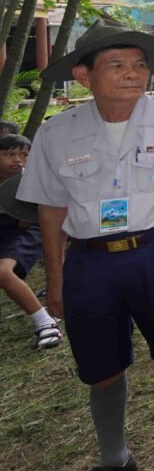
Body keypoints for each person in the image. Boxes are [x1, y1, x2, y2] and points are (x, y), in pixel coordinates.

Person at [18, 19, 154, 471]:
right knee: (100, 365)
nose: (132, 73)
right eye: (118, 64)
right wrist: (56, 279)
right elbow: (51, 210)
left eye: (140, 65)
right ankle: (114, 458)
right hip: (91, 262)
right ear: (83, 75)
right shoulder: (56, 132)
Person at [0, 146, 60, 349]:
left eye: (24, 155)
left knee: (3, 272)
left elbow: (29, 218)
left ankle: (46, 323)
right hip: (6, 231)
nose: (17, 160)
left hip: (27, 229)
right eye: (9, 154)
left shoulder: (34, 178)